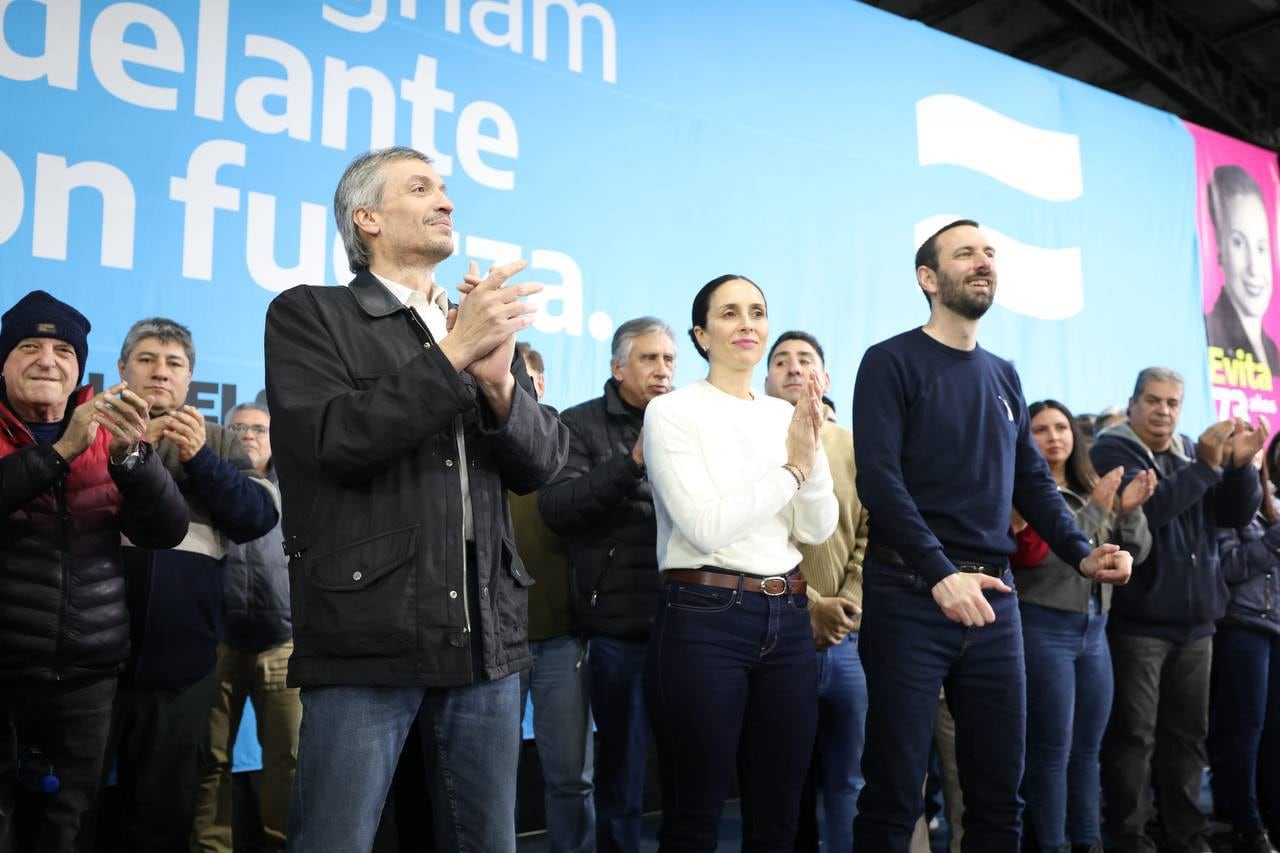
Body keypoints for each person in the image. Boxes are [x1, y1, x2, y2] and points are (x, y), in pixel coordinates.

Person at [264, 145, 570, 852]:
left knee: (487, 840)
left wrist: (499, 383)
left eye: (446, 188)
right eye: (422, 187)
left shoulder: (473, 329)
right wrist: (454, 354)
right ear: (366, 217)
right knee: (333, 838)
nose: (447, 200)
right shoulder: (310, 313)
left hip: (485, 639)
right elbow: (336, 440)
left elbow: (543, 463)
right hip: (369, 630)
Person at [850, 219, 1133, 853]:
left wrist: (1083, 556)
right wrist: (939, 574)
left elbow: (1031, 482)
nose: (983, 262)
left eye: (989, 253)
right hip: (909, 593)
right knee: (895, 793)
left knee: (1001, 797)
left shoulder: (1004, 374)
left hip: (997, 604)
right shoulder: (889, 361)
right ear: (928, 278)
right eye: (965, 254)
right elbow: (880, 483)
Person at [642, 275, 838, 850]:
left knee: (779, 815)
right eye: (729, 314)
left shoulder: (785, 416)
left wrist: (811, 450)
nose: (747, 323)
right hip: (704, 617)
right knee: (695, 814)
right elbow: (704, 528)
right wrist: (794, 471)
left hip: (789, 616)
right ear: (702, 335)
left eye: (757, 311)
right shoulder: (673, 411)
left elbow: (816, 528)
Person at [0, 291, 188, 853]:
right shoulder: (78, 433)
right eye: (29, 346)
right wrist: (62, 450)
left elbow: (166, 530)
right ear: (4, 360)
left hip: (86, 674)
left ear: (79, 366)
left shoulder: (108, 428)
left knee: (63, 826)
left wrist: (134, 459)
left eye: (62, 350)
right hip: (4, 671)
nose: (47, 360)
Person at [108, 318, 280, 853]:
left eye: (174, 363)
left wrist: (199, 457)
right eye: (147, 359)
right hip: (92, 660)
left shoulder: (223, 438)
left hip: (182, 663)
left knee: (161, 811)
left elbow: (257, 515)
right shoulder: (90, 426)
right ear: (122, 369)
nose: (160, 372)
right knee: (74, 800)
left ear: (191, 377)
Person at [1091, 367, 1266, 853]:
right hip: (1140, 624)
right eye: (1153, 400)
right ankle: (1130, 839)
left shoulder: (1191, 449)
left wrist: (1239, 470)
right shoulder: (1113, 449)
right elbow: (1152, 514)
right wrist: (1209, 467)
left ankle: (1188, 838)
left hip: (1198, 624)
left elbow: (1232, 515)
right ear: (1132, 404)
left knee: (1189, 738)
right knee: (1134, 739)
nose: (1163, 410)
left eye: (1172, 402)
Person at [538, 316, 676, 853]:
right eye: (649, 358)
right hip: (617, 631)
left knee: (691, 768)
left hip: (689, 623)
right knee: (619, 774)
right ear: (618, 367)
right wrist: (632, 461)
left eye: (669, 359)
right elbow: (557, 508)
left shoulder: (689, 420)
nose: (662, 370)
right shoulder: (579, 424)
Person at [1010, 399, 1154, 853]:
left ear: (1075, 435)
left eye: (1061, 427)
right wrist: (1097, 508)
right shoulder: (1023, 490)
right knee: (1051, 750)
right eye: (1040, 429)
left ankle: (1088, 842)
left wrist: (1127, 511)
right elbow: (1041, 552)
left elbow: (1139, 553)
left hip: (1095, 631)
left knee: (1088, 751)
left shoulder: (1093, 484)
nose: (1054, 436)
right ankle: (1051, 844)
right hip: (1043, 627)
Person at [762, 330, 867, 853]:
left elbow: (874, 528)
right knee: (785, 781)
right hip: (777, 633)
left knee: (850, 779)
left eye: (806, 359)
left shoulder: (853, 444)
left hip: (849, 639)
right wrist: (807, 607)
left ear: (824, 376)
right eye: (780, 360)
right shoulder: (754, 441)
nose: (793, 368)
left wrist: (847, 602)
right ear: (766, 378)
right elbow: (755, 537)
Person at [191, 401, 300, 853]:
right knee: (209, 760)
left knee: (288, 761)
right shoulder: (207, 483)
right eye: (238, 428)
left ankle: (284, 845)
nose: (248, 435)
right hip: (216, 643)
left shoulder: (299, 489)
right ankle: (211, 848)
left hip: (285, 644)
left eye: (259, 428)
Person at [509, 342, 595, 853]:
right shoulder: (478, 448)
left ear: (543, 385)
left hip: (564, 638)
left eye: (530, 379)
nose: (521, 389)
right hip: (497, 642)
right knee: (490, 780)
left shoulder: (569, 442)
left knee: (571, 777)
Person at [1209, 434, 1280, 853]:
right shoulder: (1223, 501)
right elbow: (1231, 567)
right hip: (1241, 626)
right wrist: (1274, 540)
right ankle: (1244, 822)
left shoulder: (1271, 500)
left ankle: (1270, 816)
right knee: (1243, 730)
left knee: (1274, 732)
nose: (1249, 456)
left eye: (1254, 450)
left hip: (1274, 628)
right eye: (1241, 448)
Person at [1205, 165, 1277, 372]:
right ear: (1219, 249)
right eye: (1238, 243)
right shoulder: (1208, 335)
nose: (1254, 268)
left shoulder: (1272, 350)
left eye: (1261, 247)